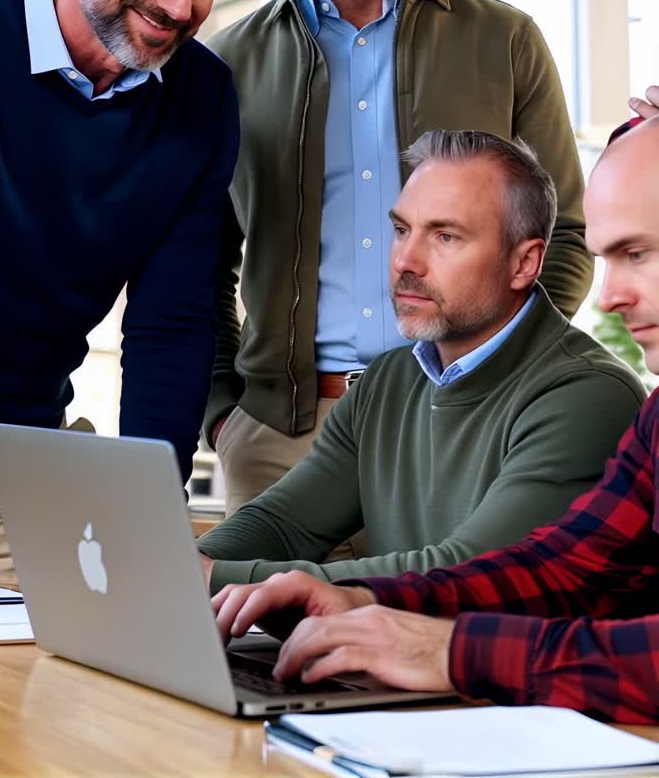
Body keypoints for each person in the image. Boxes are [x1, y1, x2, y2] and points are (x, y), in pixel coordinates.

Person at [206, 0, 593, 518]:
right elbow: (200, 267)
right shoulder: (231, 65)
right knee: (262, 634)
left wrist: (499, 382)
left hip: (459, 426)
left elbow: (564, 237)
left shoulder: (504, 40)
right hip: (282, 440)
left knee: (437, 631)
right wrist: (226, 416)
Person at [212, 117, 659, 725]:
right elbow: (556, 566)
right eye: (401, 230)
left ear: (526, 262)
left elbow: (490, 566)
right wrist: (359, 599)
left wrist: (449, 651)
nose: (405, 261)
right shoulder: (391, 379)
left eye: (445, 236)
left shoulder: (590, 393)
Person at [0, 0, 253, 586]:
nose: (181, 4)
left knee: (45, 689)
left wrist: (146, 505)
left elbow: (172, 323)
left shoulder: (201, 100)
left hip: (21, 460)